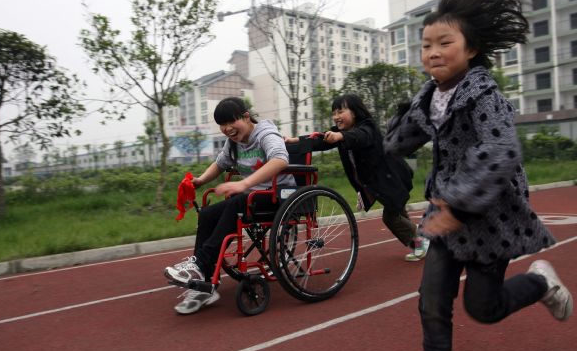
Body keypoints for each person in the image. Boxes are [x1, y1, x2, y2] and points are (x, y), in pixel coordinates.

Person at [383, 0, 573, 351]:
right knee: (432, 304)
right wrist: (400, 117)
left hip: (487, 216)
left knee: (483, 308)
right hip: (446, 216)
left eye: (444, 43)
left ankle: (540, 282)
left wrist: (457, 206)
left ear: (471, 49)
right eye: (426, 46)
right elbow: (399, 143)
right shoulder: (431, 98)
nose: (433, 53)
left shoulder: (486, 97)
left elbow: (501, 151)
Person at [163, 97, 296, 315]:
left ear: (245, 116)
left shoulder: (265, 134)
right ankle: (204, 284)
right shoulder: (233, 142)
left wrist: (244, 183)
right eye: (222, 125)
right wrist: (200, 180)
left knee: (237, 201)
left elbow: (280, 159)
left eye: (230, 122)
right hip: (251, 197)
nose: (226, 129)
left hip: (278, 195)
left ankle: (199, 264)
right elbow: (220, 163)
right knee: (207, 213)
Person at [285, 93, 429, 261]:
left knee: (391, 217)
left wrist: (341, 136)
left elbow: (361, 136)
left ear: (354, 112)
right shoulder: (339, 132)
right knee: (399, 215)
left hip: (393, 179)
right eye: (334, 113)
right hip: (378, 183)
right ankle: (421, 243)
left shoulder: (368, 127)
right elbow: (317, 141)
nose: (336, 117)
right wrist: (294, 140)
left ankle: (422, 238)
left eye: (340, 111)